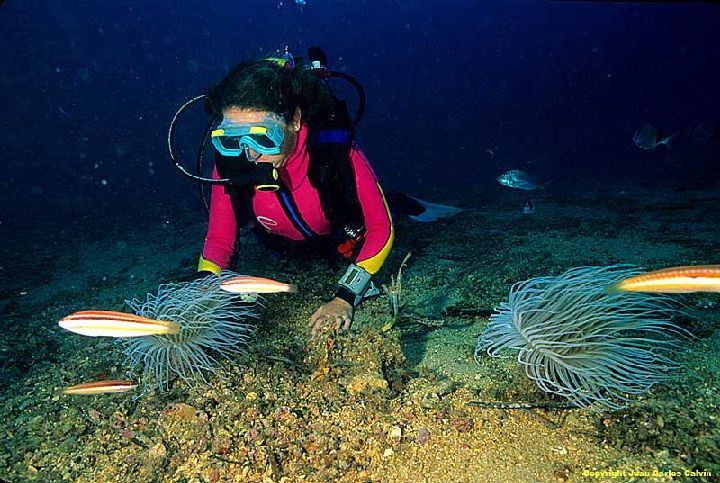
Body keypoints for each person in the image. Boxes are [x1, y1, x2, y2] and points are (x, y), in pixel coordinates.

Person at [195, 54, 394, 336]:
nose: (250, 154)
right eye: (233, 139)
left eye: (263, 137)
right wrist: (202, 288)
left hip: (341, 239)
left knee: (392, 205)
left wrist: (346, 295)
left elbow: (380, 229)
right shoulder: (231, 166)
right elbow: (218, 238)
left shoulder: (335, 153)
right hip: (281, 246)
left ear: (296, 120)